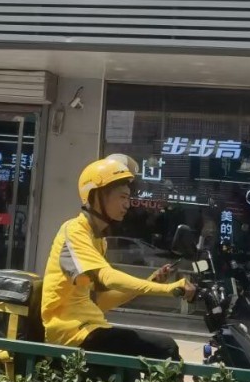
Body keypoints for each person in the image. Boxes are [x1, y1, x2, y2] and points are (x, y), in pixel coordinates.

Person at [42, 154, 194, 362]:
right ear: (97, 196)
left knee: (152, 351)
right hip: (70, 334)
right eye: (122, 197)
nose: (127, 204)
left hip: (89, 328)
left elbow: (100, 301)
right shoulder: (74, 230)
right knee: (165, 348)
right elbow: (107, 277)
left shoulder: (98, 240)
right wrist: (168, 289)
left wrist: (151, 281)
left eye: (128, 198)